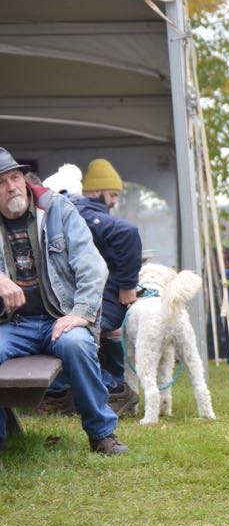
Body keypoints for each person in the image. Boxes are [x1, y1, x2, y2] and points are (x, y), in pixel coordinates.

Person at [0, 147, 127, 454]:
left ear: (24, 178)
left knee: (78, 345)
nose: (11, 187)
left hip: (60, 317)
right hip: (12, 324)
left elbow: (91, 265)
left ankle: (101, 435)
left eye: (15, 177)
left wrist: (81, 313)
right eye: (1, 183)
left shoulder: (57, 209)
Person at [38, 158, 142, 415]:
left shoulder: (81, 212)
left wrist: (128, 285)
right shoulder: (82, 210)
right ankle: (68, 391)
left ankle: (109, 389)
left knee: (61, 336)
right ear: (95, 192)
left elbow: (127, 233)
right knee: (59, 335)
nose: (115, 200)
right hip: (99, 298)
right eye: (113, 194)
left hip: (98, 300)